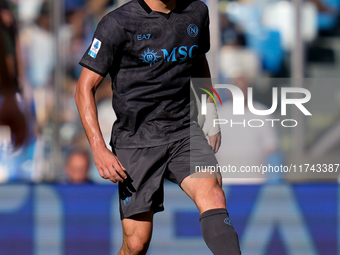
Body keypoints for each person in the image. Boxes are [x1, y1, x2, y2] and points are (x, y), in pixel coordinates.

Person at [75, 0, 241, 254]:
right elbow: (84, 88)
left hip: (183, 129)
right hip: (136, 139)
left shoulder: (196, 11)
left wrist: (209, 110)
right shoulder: (116, 24)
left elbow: (198, 58)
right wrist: (99, 149)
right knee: (136, 243)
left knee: (213, 194)